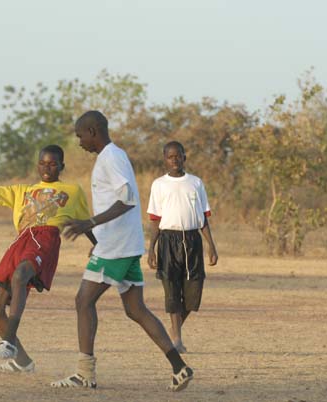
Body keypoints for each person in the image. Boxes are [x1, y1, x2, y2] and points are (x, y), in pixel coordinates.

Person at [51, 111, 193, 392]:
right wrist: (97, 237)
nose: (79, 142)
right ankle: (179, 367)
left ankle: (84, 374)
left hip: (116, 246)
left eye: (80, 136)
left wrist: (88, 224)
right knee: (135, 309)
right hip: (123, 244)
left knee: (83, 301)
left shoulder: (111, 157)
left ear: (93, 131)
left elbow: (126, 199)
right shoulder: (113, 156)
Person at [0, 140, 93, 373]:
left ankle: (8, 341)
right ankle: (23, 362)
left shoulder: (73, 191)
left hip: (45, 238)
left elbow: (86, 224)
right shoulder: (21, 191)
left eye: (53, 164)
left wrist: (99, 245)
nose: (47, 168)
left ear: (61, 166)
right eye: (43, 163)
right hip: (21, 241)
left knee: (21, 274)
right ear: (37, 165)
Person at [146, 141, 218, 353]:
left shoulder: (195, 183)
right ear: (164, 159)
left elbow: (203, 217)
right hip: (169, 240)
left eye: (178, 156)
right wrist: (152, 249)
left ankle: (172, 331)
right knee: (171, 290)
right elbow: (155, 219)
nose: (174, 160)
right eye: (170, 156)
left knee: (193, 294)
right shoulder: (159, 184)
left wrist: (211, 245)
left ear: (185, 157)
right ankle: (177, 339)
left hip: (192, 240)